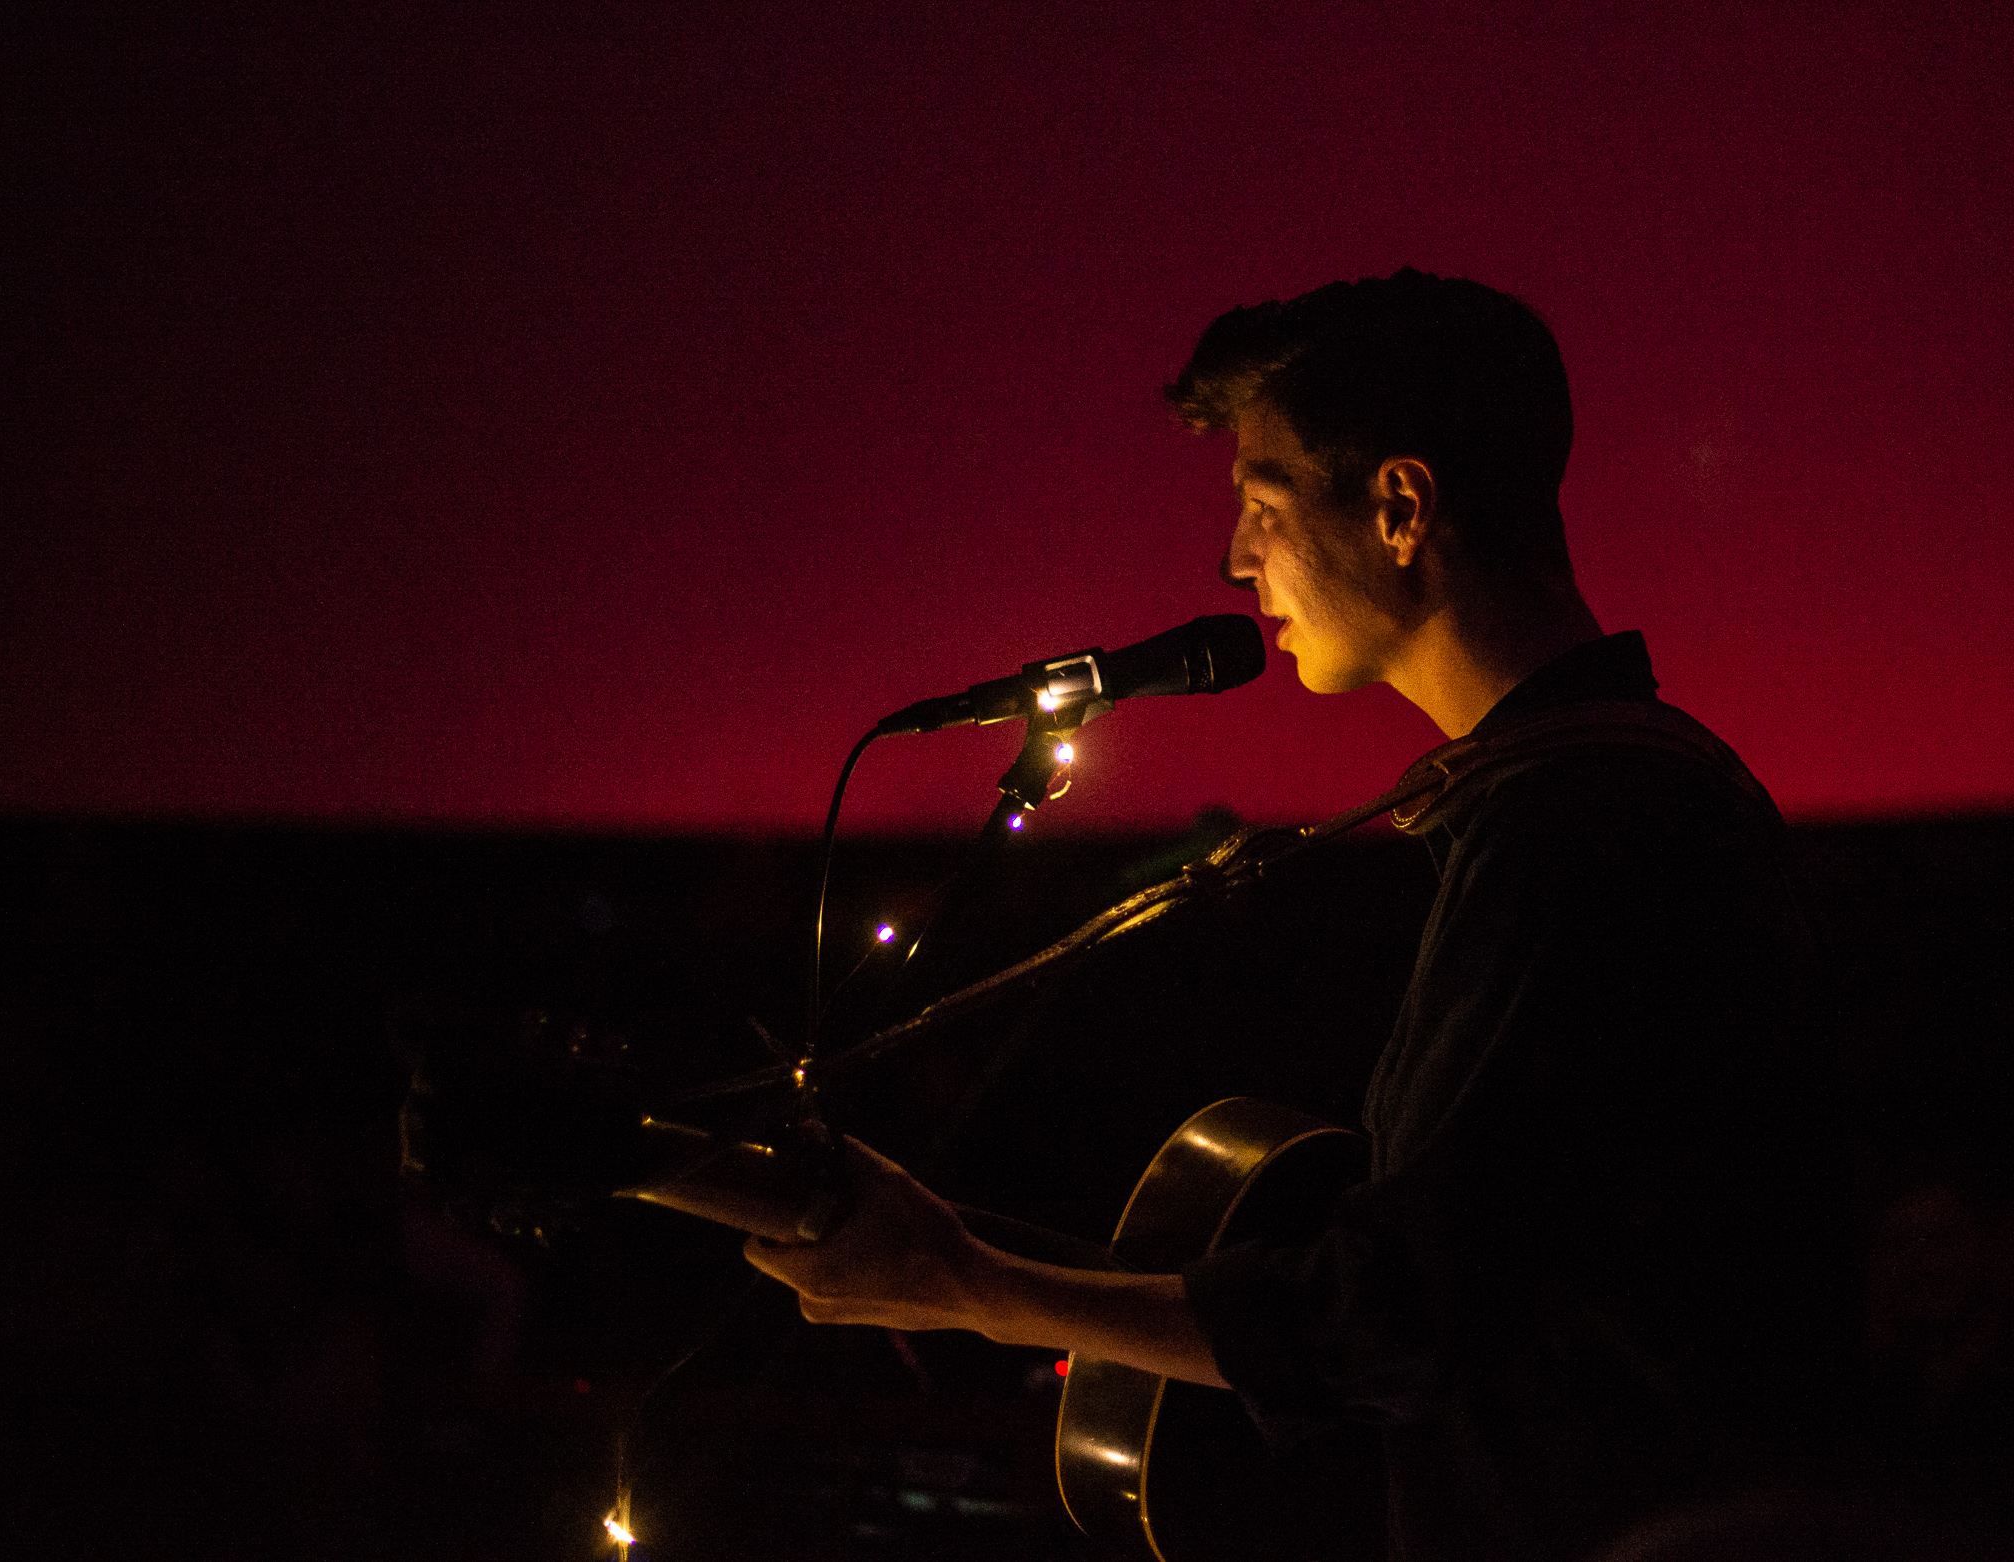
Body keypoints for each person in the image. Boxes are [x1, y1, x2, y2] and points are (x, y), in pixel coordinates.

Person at [744, 269, 1855, 1562]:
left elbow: (1391, 1317)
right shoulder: (1605, 798)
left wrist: (974, 1285)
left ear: (1399, 506)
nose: (1232, 560)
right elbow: (1496, 1276)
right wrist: (969, 1264)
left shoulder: (1578, 828)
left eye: (1261, 504)